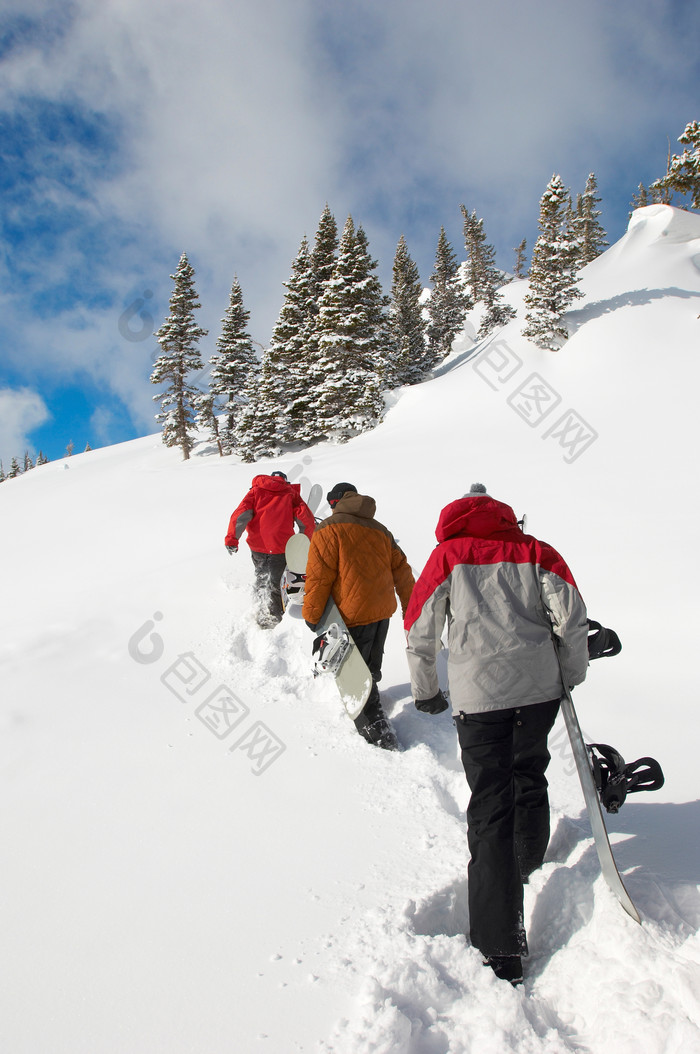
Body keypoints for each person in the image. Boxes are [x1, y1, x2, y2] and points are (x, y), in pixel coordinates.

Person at [404, 483, 588, 985]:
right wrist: (569, 673)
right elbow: (572, 617)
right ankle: (529, 861)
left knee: (489, 803)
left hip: (479, 696)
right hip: (538, 690)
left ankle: (499, 946)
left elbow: (420, 625)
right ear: (504, 515)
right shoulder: (535, 551)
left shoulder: (447, 556)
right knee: (529, 768)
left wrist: (426, 690)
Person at [302, 482, 415, 750]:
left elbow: (319, 577)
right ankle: (373, 698)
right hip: (381, 612)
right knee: (370, 666)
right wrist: (410, 608)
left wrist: (312, 614)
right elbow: (403, 570)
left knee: (355, 676)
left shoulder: (329, 528)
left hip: (351, 615)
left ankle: (378, 733)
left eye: (332, 503)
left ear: (338, 501)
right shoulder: (381, 530)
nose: (331, 508)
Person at [225, 470, 315, 627]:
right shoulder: (289, 493)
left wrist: (232, 539)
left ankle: (261, 601)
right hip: (280, 546)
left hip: (258, 545)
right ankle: (271, 617)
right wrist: (305, 541)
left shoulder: (255, 491)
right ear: (284, 480)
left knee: (262, 574)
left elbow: (240, 515)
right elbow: (305, 518)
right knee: (276, 581)